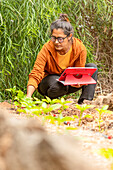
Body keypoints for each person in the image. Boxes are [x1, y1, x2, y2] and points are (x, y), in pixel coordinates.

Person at [27, 14, 98, 104]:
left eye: (60, 39)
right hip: (50, 82)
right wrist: (28, 97)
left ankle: (85, 102)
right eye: (53, 38)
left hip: (69, 82)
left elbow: (78, 71)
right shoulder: (47, 48)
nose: (56, 42)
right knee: (58, 83)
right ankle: (52, 101)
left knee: (92, 67)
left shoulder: (79, 48)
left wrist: (78, 81)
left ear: (69, 36)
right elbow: (36, 72)